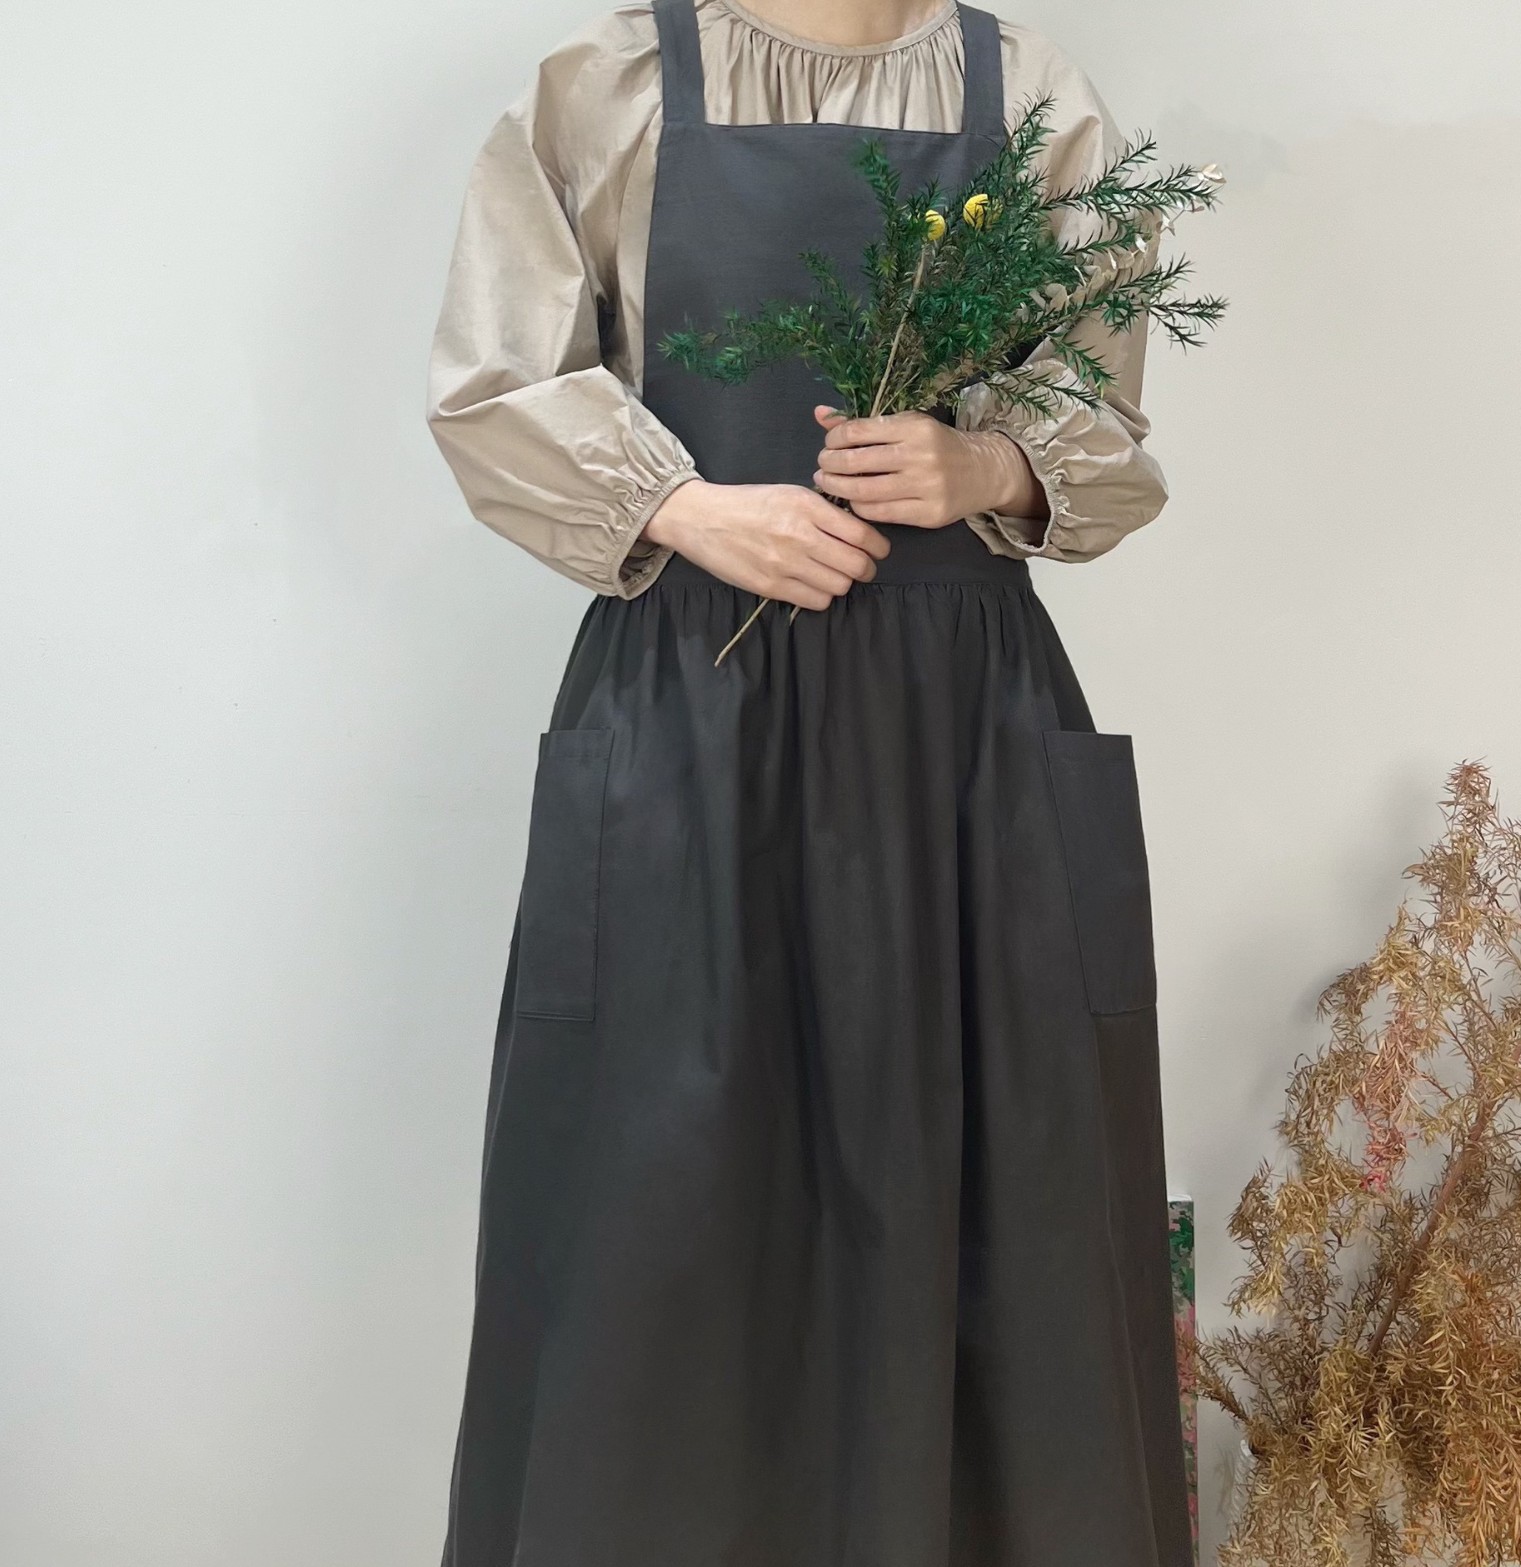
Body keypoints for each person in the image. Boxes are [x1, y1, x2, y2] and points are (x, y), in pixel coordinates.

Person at [425, 3, 1189, 1564]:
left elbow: (1103, 411)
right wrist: (689, 508)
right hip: (693, 723)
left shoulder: (1031, 94)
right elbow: (496, 388)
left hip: (961, 743)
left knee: (1005, 1212)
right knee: (660, 1218)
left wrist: (987, 465)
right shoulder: (610, 86)